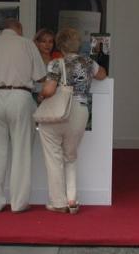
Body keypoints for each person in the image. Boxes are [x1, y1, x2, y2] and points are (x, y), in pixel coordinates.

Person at [0, 18, 46, 213]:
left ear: (2, 30)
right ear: (19, 30)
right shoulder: (26, 44)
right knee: (21, 150)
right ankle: (18, 202)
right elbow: (40, 75)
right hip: (20, 96)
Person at [37, 27, 107, 214]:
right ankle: (72, 200)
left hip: (57, 113)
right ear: (78, 44)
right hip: (80, 112)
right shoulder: (88, 62)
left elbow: (50, 90)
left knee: (54, 158)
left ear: (60, 45)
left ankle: (58, 202)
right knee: (71, 156)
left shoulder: (55, 64)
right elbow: (102, 75)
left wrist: (41, 95)